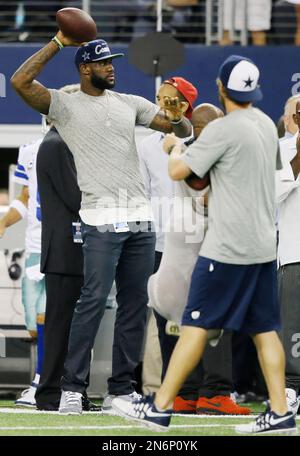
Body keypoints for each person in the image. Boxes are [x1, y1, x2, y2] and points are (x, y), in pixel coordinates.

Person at [112, 55, 297, 435]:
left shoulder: (221, 130)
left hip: (227, 245)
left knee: (193, 325)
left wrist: (172, 149)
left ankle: (160, 407)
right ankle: (279, 410)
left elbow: (181, 172)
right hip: (264, 245)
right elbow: (276, 177)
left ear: (221, 87)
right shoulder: (265, 125)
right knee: (264, 330)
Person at [11, 31, 192, 415]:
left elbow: (179, 130)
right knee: (91, 301)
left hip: (140, 218)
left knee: (133, 304)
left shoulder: (129, 102)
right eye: (105, 62)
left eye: (113, 62)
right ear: (85, 67)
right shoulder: (65, 103)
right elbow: (20, 82)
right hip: (100, 218)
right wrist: (58, 42)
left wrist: (179, 118)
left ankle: (121, 389)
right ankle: (73, 388)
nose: (112, 68)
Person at [146, 102, 250, 415]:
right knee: (215, 319)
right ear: (204, 129)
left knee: (184, 319)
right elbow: (204, 201)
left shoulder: (186, 149)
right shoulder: (206, 153)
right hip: (203, 244)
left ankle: (185, 392)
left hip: (184, 243)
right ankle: (213, 393)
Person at [34, 84, 100, 412]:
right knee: (61, 325)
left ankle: (70, 391)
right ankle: (48, 392)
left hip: (70, 249)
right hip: (64, 251)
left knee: (71, 327)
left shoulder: (63, 144)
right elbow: (77, 198)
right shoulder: (57, 145)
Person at [0, 135, 45, 407]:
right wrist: (4, 222)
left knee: (50, 317)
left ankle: (48, 381)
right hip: (35, 248)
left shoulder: (79, 143)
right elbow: (26, 196)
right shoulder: (30, 150)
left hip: (65, 246)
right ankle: (48, 379)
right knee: (34, 326)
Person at [276, 99, 300, 416]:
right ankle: (292, 389)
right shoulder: (279, 150)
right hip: (294, 252)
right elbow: (270, 195)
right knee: (293, 329)